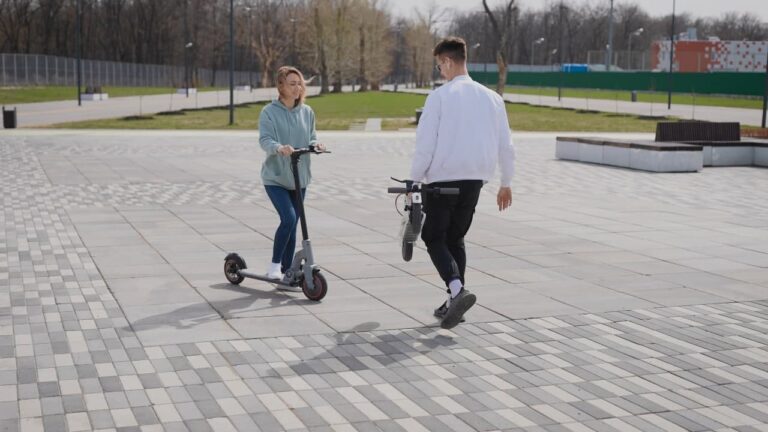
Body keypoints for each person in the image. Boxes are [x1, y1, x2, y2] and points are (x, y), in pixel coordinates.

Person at [410, 37, 516, 329]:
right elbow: (506, 144)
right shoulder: (493, 97)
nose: (439, 71)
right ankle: (454, 301)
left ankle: (457, 290)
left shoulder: (440, 97)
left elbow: (425, 145)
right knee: (455, 238)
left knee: (433, 237)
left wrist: (413, 180)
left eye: (439, 65)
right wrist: (506, 182)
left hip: (443, 180)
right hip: (474, 182)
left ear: (447, 61)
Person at [259, 66, 325, 290]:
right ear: (280, 86)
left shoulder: (307, 111)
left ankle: (288, 269)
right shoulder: (269, 112)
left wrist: (316, 145)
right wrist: (279, 148)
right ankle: (275, 266)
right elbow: (265, 140)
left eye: (300, 83)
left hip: (300, 178)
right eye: (292, 83)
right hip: (276, 178)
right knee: (288, 219)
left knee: (293, 223)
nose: (298, 88)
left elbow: (312, 136)